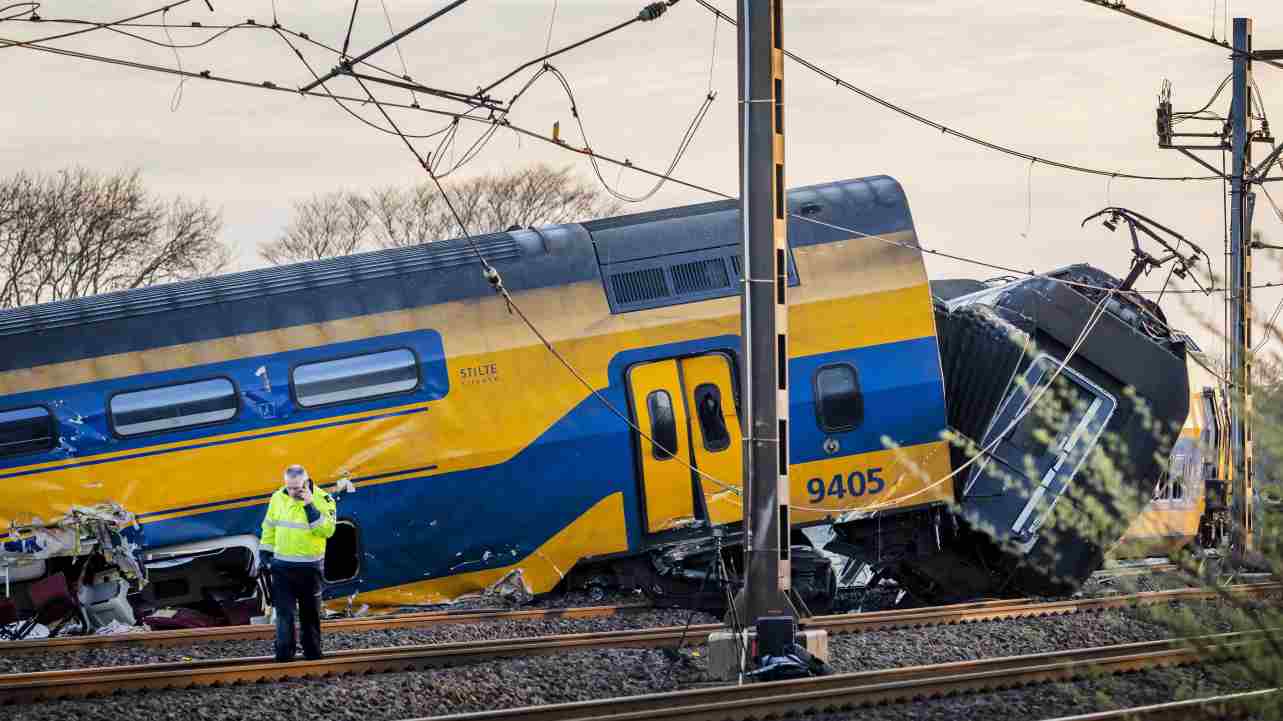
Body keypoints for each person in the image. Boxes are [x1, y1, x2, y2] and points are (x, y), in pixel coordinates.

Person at [259, 464, 337, 662]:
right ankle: (284, 656)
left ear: (306, 482)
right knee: (284, 614)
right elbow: (269, 526)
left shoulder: (323, 499)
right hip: (282, 567)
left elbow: (327, 531)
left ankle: (313, 653)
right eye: (289, 487)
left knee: (310, 614)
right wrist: (265, 552)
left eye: (297, 487)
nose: (293, 491)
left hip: (310, 568)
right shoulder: (278, 497)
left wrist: (309, 505)